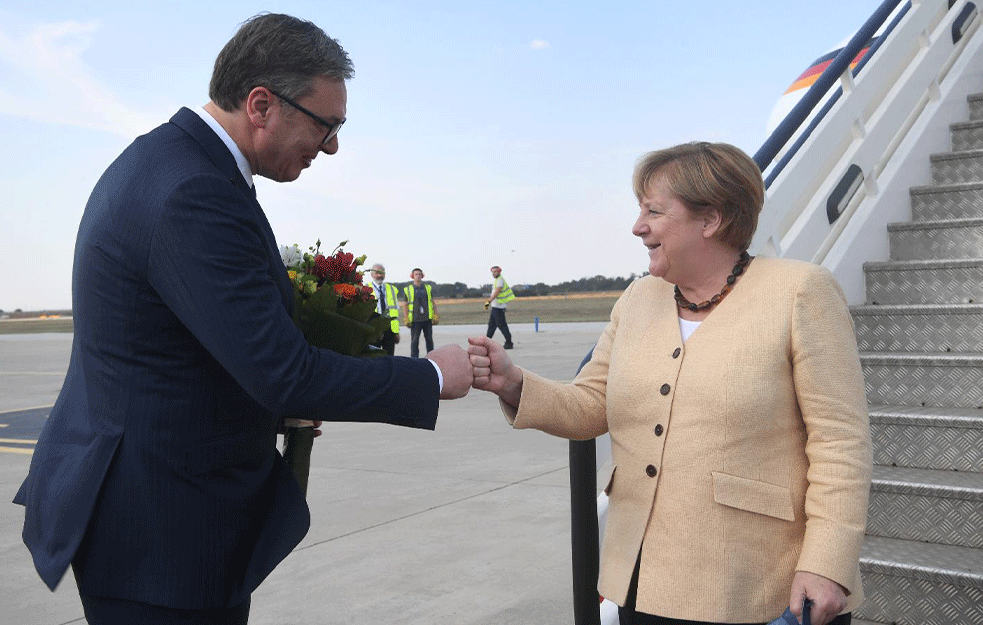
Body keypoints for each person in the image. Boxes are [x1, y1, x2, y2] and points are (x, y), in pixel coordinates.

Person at [13, 13, 472, 625]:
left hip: (153, 525)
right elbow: (281, 372)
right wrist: (431, 378)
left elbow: (190, 349)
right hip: (160, 537)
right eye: (327, 124)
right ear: (261, 104)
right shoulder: (193, 192)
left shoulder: (171, 163)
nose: (332, 145)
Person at [468, 142, 872, 625]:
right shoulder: (638, 298)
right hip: (641, 576)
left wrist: (827, 563)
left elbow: (841, 442)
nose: (638, 226)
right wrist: (512, 383)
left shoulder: (800, 291)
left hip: (757, 584)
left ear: (711, 220)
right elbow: (591, 403)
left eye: (654, 211)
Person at [401, 267, 439, 358]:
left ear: (422, 276)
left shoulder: (427, 288)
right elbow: (405, 305)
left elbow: (432, 302)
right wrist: (406, 318)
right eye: (416, 274)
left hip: (427, 319)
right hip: (415, 319)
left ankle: (431, 358)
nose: (418, 276)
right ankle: (414, 359)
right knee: (414, 341)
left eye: (419, 274)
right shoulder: (408, 289)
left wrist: (436, 315)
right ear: (412, 276)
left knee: (429, 340)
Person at [369, 263, 400, 355]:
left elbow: (395, 311)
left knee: (389, 356)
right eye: (377, 273)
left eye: (381, 273)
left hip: (389, 328)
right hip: (374, 328)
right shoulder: (366, 288)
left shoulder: (392, 289)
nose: (379, 275)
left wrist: (396, 332)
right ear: (371, 274)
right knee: (374, 357)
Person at [485, 265, 515, 349]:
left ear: (499, 272)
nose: (493, 273)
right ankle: (486, 343)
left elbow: (497, 292)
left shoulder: (500, 280)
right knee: (491, 325)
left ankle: (509, 343)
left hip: (499, 308)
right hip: (495, 307)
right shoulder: (497, 280)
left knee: (502, 325)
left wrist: (489, 301)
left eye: (495, 272)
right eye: (492, 272)